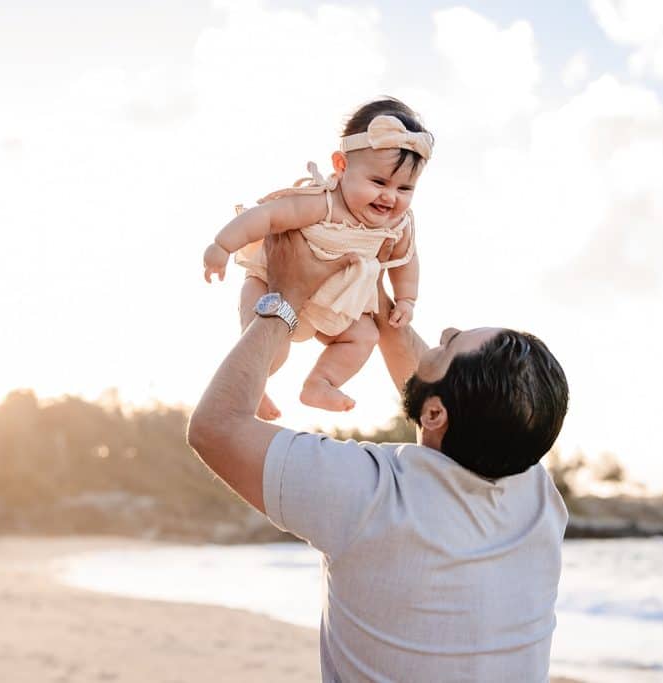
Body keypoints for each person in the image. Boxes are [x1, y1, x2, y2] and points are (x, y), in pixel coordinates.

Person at [187, 231, 571, 682]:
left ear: (434, 414)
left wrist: (284, 300)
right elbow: (443, 407)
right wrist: (380, 295)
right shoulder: (536, 495)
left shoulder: (371, 493)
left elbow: (216, 428)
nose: (442, 333)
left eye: (448, 344)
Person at [201, 98, 433, 419]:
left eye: (405, 188)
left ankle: (320, 383)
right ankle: (253, 386)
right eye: (378, 182)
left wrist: (406, 299)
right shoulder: (321, 203)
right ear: (341, 165)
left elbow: (407, 260)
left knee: (365, 336)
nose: (389, 196)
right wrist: (222, 245)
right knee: (271, 348)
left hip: (336, 304)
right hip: (272, 285)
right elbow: (267, 217)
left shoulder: (398, 224)